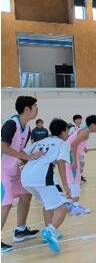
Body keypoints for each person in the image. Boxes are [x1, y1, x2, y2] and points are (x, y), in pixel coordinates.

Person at [21, 118, 71, 253]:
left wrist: (32, 160)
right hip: (43, 177)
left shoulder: (40, 141)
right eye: (67, 131)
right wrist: (65, 185)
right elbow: (61, 162)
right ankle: (50, 231)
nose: (68, 134)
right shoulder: (62, 144)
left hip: (26, 177)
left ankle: (48, 230)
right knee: (63, 207)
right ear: (62, 132)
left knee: (47, 204)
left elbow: (22, 153)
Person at [1, 96, 43, 253]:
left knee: (26, 194)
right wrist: (28, 157)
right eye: (35, 106)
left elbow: (19, 151)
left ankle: (20, 231)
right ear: (27, 109)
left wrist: (32, 159)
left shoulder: (27, 129)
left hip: (14, 171)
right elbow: (3, 148)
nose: (37, 109)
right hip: (2, 171)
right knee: (6, 203)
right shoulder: (11, 124)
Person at [65, 115, 96, 215]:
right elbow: (73, 144)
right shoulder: (85, 132)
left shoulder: (84, 130)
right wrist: (74, 161)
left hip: (70, 155)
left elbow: (76, 142)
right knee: (75, 181)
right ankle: (75, 207)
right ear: (93, 125)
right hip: (70, 156)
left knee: (72, 180)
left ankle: (70, 205)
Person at [69, 115, 87, 182]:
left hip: (80, 149)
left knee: (82, 163)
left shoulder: (81, 129)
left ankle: (80, 175)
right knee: (76, 163)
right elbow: (69, 138)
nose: (79, 120)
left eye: (80, 119)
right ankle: (76, 178)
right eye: (78, 119)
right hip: (74, 149)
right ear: (75, 120)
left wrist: (84, 147)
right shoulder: (72, 129)